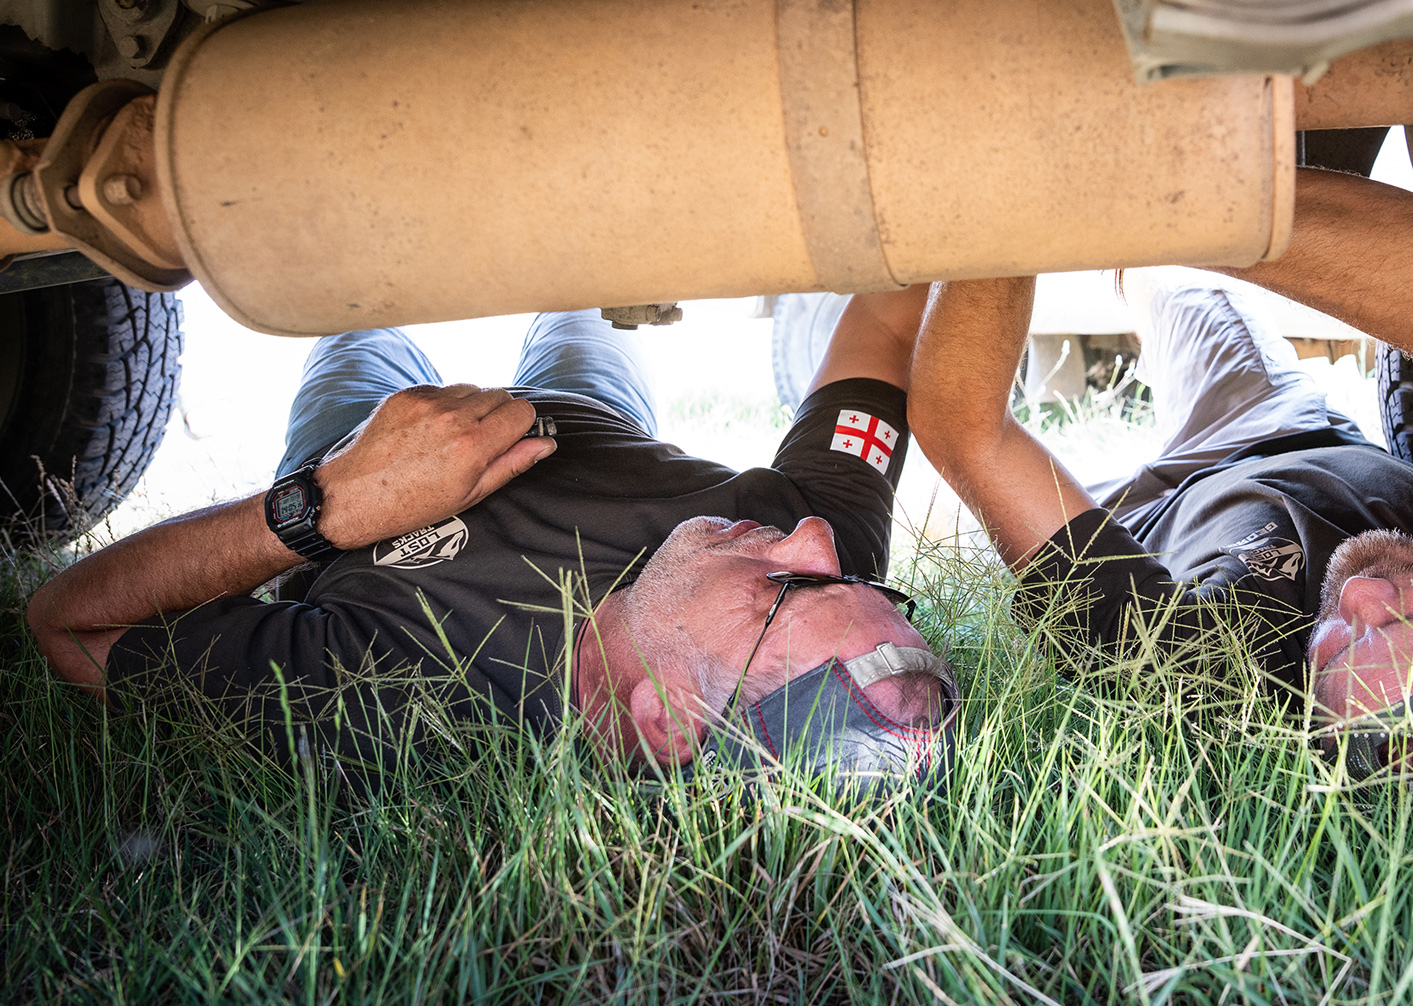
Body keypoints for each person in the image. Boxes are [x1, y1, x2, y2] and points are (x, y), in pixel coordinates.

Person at [907, 170, 1413, 797]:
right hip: (1270, 427)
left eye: (1337, 653)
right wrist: (1105, 179)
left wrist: (1009, 185)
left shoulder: (1201, 687)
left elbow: (967, 429)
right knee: (1174, 280)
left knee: (943, 515)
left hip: (1128, 521)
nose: (1362, 595)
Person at [29, 289, 954, 786]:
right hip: (586, 407)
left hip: (355, 443)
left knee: (352, 307)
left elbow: (68, 625)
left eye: (793, 589)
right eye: (856, 580)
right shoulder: (814, 533)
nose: (814, 539)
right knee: (593, 286)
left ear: (668, 718)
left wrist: (327, 503)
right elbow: (890, 307)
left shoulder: (393, 704)